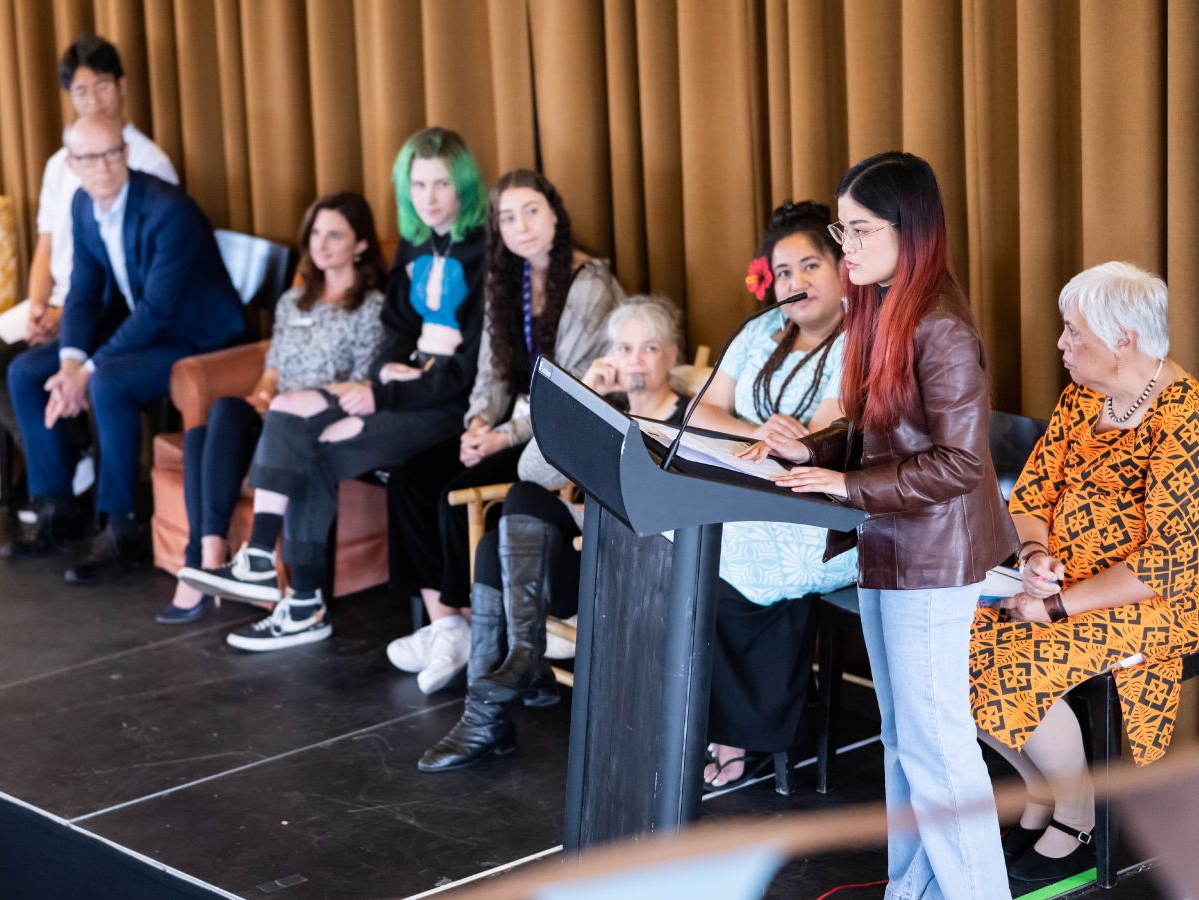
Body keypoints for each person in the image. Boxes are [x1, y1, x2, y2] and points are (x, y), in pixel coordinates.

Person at [743, 151, 1015, 899]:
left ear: (910, 231)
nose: (846, 248)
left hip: (933, 557)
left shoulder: (942, 326)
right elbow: (876, 432)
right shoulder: (883, 307)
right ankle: (913, 890)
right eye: (843, 229)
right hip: (887, 542)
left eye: (859, 231)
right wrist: (814, 449)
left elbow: (961, 464)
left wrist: (845, 481)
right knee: (904, 744)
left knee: (939, 750)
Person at [177, 126, 488, 652]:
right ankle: (261, 565)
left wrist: (382, 395)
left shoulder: (484, 251)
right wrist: (389, 370)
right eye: (418, 185)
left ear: (463, 186)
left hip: (451, 406)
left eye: (440, 184)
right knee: (288, 411)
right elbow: (395, 329)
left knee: (314, 449)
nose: (428, 198)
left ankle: (301, 601)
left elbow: (477, 365)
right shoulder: (416, 243)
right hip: (405, 389)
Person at [970, 262, 1199, 882]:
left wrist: (1052, 606)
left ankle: (1077, 811)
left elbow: (1163, 566)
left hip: (1150, 601)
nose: (1062, 345)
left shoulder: (1184, 420)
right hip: (1061, 582)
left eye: (1074, 333)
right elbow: (1033, 496)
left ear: (1123, 339)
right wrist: (1034, 558)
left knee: (1019, 660)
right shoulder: (1083, 398)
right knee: (952, 648)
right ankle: (1039, 789)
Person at [418, 295, 684, 771]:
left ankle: (500, 700)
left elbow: (651, 512)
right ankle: (510, 681)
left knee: (507, 524)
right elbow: (531, 470)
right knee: (509, 516)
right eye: (624, 349)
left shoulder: (685, 421)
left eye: (649, 348)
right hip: (583, 566)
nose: (635, 361)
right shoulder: (606, 414)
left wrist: (574, 516)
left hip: (636, 570)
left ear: (672, 354)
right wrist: (585, 400)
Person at [384, 169, 622, 694]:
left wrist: (502, 435)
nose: (521, 226)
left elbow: (572, 393)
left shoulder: (590, 283)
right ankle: (445, 623)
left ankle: (472, 627)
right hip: (508, 423)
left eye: (531, 211)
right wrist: (476, 422)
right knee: (408, 481)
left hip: (559, 434)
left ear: (555, 214)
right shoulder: (506, 280)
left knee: (452, 494)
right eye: (508, 218)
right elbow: (491, 371)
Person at [0, 113, 242, 583]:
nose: (103, 166)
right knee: (26, 372)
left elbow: (159, 310)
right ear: (72, 163)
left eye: (112, 153)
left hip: (197, 334)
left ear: (126, 153)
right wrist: (70, 362)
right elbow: (84, 290)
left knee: (109, 381)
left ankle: (121, 526)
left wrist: (86, 372)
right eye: (89, 157)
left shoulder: (167, 210)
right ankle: (59, 508)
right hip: (142, 327)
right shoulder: (80, 205)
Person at [0, 34, 178, 498]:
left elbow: (126, 278)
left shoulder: (145, 163)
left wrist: (66, 321)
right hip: (62, 296)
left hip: (106, 304)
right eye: (80, 91)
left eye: (101, 86)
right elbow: (46, 243)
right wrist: (38, 306)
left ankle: (64, 468)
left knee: (27, 368)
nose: (92, 99)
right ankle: (65, 455)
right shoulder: (61, 161)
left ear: (121, 87)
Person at [160, 192, 386, 624]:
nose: (321, 244)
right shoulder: (293, 301)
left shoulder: (370, 307)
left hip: (319, 417)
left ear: (360, 245)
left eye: (335, 235)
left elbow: (362, 380)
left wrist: (290, 403)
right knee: (221, 415)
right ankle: (210, 549)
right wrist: (263, 395)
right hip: (275, 413)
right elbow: (272, 368)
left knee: (207, 436)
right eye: (316, 232)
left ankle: (203, 562)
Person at [696, 200, 856, 789]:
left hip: (829, 512)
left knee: (725, 562)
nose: (795, 282)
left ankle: (743, 735)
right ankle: (702, 715)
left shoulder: (861, 342)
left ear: (843, 267)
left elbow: (817, 440)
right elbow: (702, 409)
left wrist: (772, 441)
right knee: (675, 542)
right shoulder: (759, 330)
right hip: (747, 494)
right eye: (783, 272)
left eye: (810, 266)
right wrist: (757, 432)